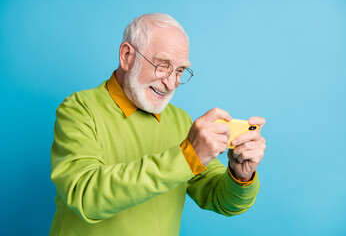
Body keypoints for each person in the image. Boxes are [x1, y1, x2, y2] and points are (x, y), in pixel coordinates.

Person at [49, 13, 266, 236]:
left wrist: (240, 175)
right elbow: (85, 196)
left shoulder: (180, 121)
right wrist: (185, 158)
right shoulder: (79, 109)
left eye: (180, 70)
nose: (172, 83)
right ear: (127, 56)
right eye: (162, 66)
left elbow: (222, 201)